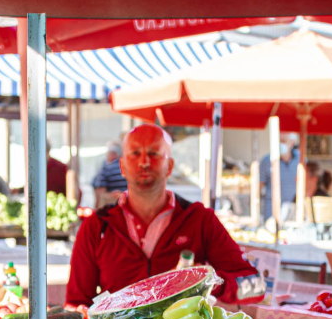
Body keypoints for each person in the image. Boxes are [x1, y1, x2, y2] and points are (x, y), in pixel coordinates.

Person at [66, 124, 265, 308]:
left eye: (154, 154)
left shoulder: (200, 219)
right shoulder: (97, 226)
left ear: (169, 166)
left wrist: (207, 280)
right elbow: (76, 304)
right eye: (135, 154)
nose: (144, 162)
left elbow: (256, 287)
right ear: (122, 167)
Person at [260, 133, 300, 225]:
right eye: (278, 141)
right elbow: (259, 187)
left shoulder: (301, 160)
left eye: (283, 141)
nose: (280, 144)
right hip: (271, 214)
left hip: (293, 214)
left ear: (292, 142)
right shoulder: (266, 161)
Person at [92, 140, 127, 208]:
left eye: (108, 153)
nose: (107, 156)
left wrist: (97, 209)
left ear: (113, 154)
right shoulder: (129, 167)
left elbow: (100, 190)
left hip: (112, 208)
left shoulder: (106, 168)